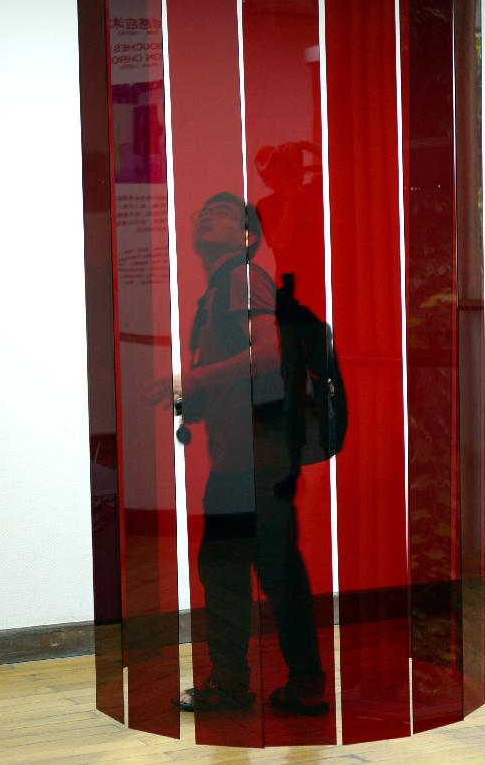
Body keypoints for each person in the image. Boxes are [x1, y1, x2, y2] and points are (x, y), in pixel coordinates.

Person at [174, 192, 327, 716]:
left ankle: (238, 685)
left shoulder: (241, 278)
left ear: (245, 237)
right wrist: (192, 397)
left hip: (253, 461)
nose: (209, 214)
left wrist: (191, 378)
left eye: (226, 212)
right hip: (248, 458)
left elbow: (265, 354)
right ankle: (293, 685)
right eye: (206, 210)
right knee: (261, 570)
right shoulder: (219, 290)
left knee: (229, 569)